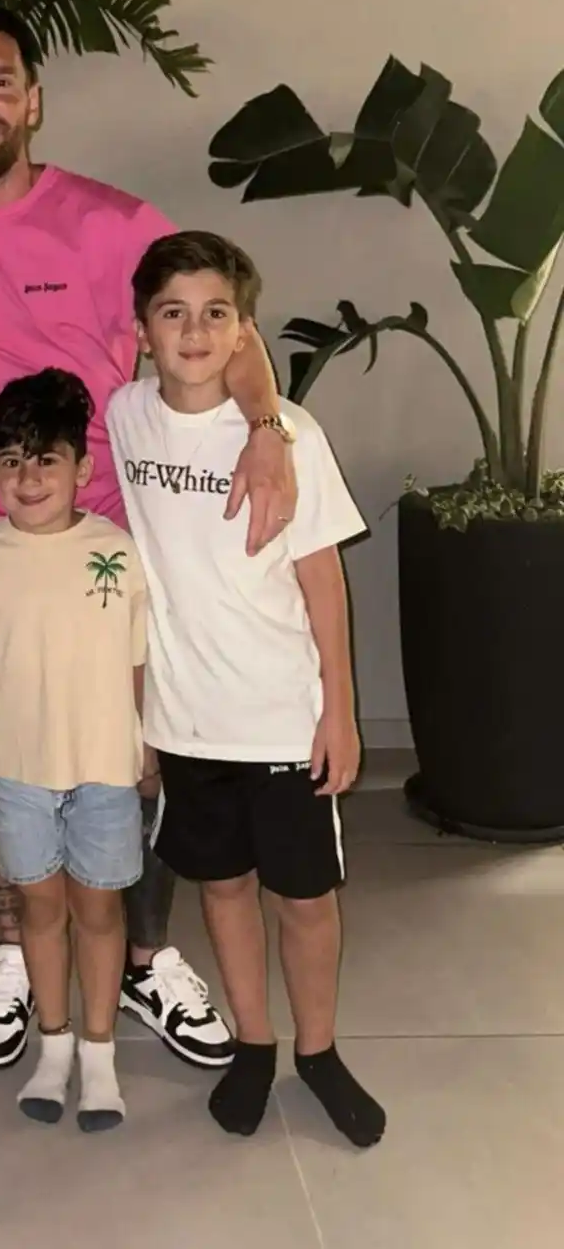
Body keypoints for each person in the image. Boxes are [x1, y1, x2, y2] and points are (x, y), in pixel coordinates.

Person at [0, 0, 297, 1072]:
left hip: (116, 544)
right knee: (9, 767)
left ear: (33, 101)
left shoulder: (112, 224)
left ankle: (143, 957)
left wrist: (267, 431)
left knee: (138, 757)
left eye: (1, 80)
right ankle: (14, 950)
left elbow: (228, 326)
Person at [106, 230, 386, 1148]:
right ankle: (255, 1044)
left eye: (215, 314)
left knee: (303, 898)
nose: (194, 332)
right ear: (142, 330)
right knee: (222, 887)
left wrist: (339, 711)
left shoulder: (290, 434)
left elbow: (322, 580)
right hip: (186, 720)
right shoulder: (124, 415)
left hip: (280, 719)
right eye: (173, 313)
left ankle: (319, 1051)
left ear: (243, 329)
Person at [0, 369, 149, 1131]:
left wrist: (146, 742)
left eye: (46, 459)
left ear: (82, 469)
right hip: (18, 771)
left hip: (105, 768)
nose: (28, 478)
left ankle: (99, 1054)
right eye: (12, 460)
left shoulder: (115, 551)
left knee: (100, 911)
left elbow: (138, 658)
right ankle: (53, 1047)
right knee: (39, 910)